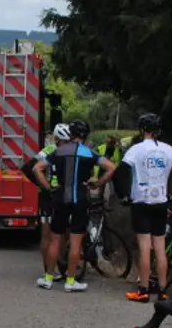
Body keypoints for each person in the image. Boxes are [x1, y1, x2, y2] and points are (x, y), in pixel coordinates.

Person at [31, 119, 118, 292]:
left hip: (61, 196)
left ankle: (48, 277)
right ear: (86, 135)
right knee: (76, 240)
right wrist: (98, 183)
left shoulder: (59, 151)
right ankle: (70, 281)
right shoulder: (90, 153)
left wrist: (48, 187)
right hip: (81, 198)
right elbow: (111, 167)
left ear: (71, 134)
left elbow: (36, 169)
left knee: (56, 237)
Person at [120, 113, 172, 302]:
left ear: (142, 130)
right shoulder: (170, 150)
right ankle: (162, 290)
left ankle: (143, 290)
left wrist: (123, 195)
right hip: (161, 202)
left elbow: (120, 173)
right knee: (160, 247)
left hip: (141, 202)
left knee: (145, 248)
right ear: (159, 131)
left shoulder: (136, 150)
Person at [24, 123, 69, 281]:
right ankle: (51, 268)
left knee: (56, 233)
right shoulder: (53, 151)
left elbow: (29, 167)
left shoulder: (55, 150)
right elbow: (29, 167)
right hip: (53, 195)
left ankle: (54, 266)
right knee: (51, 234)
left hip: (55, 194)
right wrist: (46, 186)